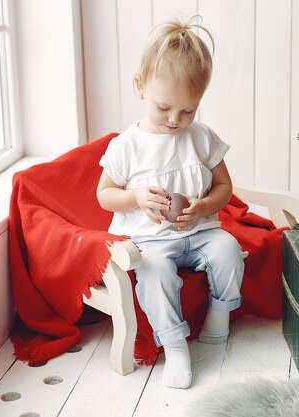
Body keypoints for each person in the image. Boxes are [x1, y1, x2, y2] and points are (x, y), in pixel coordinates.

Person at [96, 16, 246, 389]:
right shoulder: (126, 146)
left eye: (189, 110)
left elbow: (225, 186)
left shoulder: (202, 137)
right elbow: (104, 195)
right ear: (140, 87)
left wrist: (205, 206)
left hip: (199, 233)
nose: (176, 120)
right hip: (150, 241)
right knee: (154, 273)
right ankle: (176, 346)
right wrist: (134, 197)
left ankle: (220, 315)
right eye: (165, 108)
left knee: (228, 248)